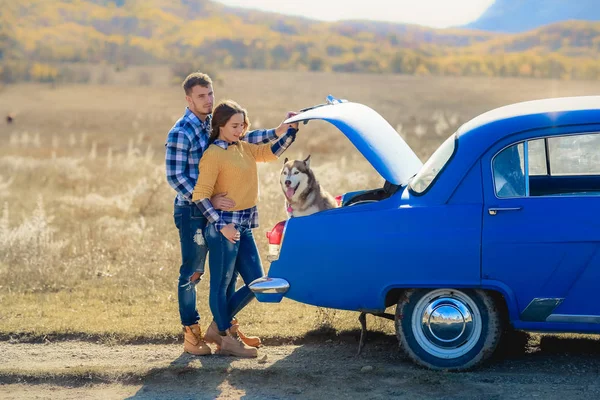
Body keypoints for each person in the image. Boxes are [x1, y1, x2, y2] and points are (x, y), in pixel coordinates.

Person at [165, 72, 297, 356]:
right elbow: (176, 177)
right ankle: (192, 333)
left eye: (210, 93)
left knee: (230, 276)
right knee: (193, 273)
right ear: (188, 99)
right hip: (192, 211)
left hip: (221, 211)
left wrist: (281, 130)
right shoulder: (181, 131)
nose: (208, 100)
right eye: (201, 96)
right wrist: (210, 197)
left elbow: (246, 138)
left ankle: (223, 327)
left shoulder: (215, 123)